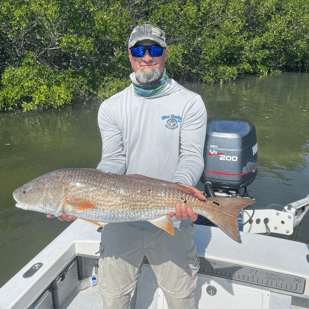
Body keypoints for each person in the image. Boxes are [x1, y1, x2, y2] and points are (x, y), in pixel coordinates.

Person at [49, 24, 207, 308]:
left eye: (154, 49)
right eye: (139, 50)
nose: (147, 57)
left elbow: (192, 156)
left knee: (181, 297)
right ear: (130, 56)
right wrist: (79, 200)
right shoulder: (111, 107)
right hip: (119, 218)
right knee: (113, 297)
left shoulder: (190, 103)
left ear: (165, 54)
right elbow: (113, 159)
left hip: (172, 213)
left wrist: (181, 188)